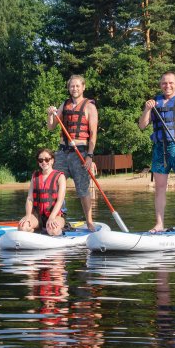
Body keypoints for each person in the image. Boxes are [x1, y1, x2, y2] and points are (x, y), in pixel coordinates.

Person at [137, 71, 175, 232]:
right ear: (160, 85)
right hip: (160, 149)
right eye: (164, 83)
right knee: (159, 187)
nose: (168, 86)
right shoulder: (154, 103)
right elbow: (142, 125)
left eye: (171, 83)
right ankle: (159, 224)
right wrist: (146, 109)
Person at [46, 74, 98, 231]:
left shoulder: (90, 107)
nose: (74, 89)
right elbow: (51, 127)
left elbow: (93, 134)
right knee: (54, 185)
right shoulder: (65, 105)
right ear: (69, 88)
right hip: (62, 152)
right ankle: (59, 217)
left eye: (77, 86)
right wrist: (50, 114)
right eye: (71, 86)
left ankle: (89, 221)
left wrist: (89, 156)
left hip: (80, 152)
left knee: (82, 189)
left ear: (83, 87)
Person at [18, 148, 68, 236]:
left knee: (53, 230)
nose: (44, 162)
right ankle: (39, 230)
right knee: (22, 227)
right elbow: (30, 199)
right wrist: (28, 215)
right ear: (38, 162)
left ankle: (59, 231)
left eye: (47, 159)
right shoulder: (35, 176)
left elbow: (60, 200)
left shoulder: (60, 177)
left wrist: (52, 217)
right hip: (38, 216)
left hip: (56, 215)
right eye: (41, 160)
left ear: (52, 161)